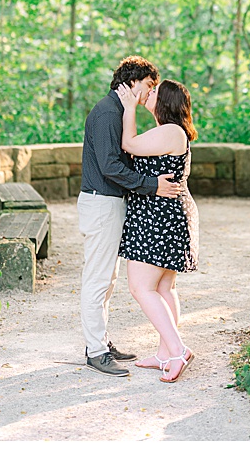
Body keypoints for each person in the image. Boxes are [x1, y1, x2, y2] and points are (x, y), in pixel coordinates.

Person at [76, 56, 185, 378]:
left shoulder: (117, 111)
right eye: (149, 85)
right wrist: (151, 186)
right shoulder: (109, 113)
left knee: (106, 281)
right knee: (97, 280)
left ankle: (101, 342)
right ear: (133, 81)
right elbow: (111, 166)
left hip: (109, 203)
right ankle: (95, 351)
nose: (149, 93)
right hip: (101, 203)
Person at [116, 78, 199, 382]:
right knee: (164, 288)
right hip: (164, 215)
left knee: (141, 287)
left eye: (154, 92)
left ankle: (177, 350)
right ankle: (165, 352)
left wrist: (128, 108)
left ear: (164, 102)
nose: (148, 94)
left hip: (159, 218)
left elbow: (129, 144)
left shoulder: (171, 131)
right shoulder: (171, 131)